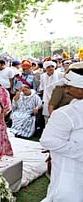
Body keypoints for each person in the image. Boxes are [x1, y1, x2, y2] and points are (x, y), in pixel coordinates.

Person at [40, 68, 83, 202]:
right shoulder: (65, 113)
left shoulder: (66, 113)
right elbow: (48, 141)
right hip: (70, 167)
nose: (65, 90)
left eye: (68, 87)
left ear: (80, 89)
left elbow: (48, 141)